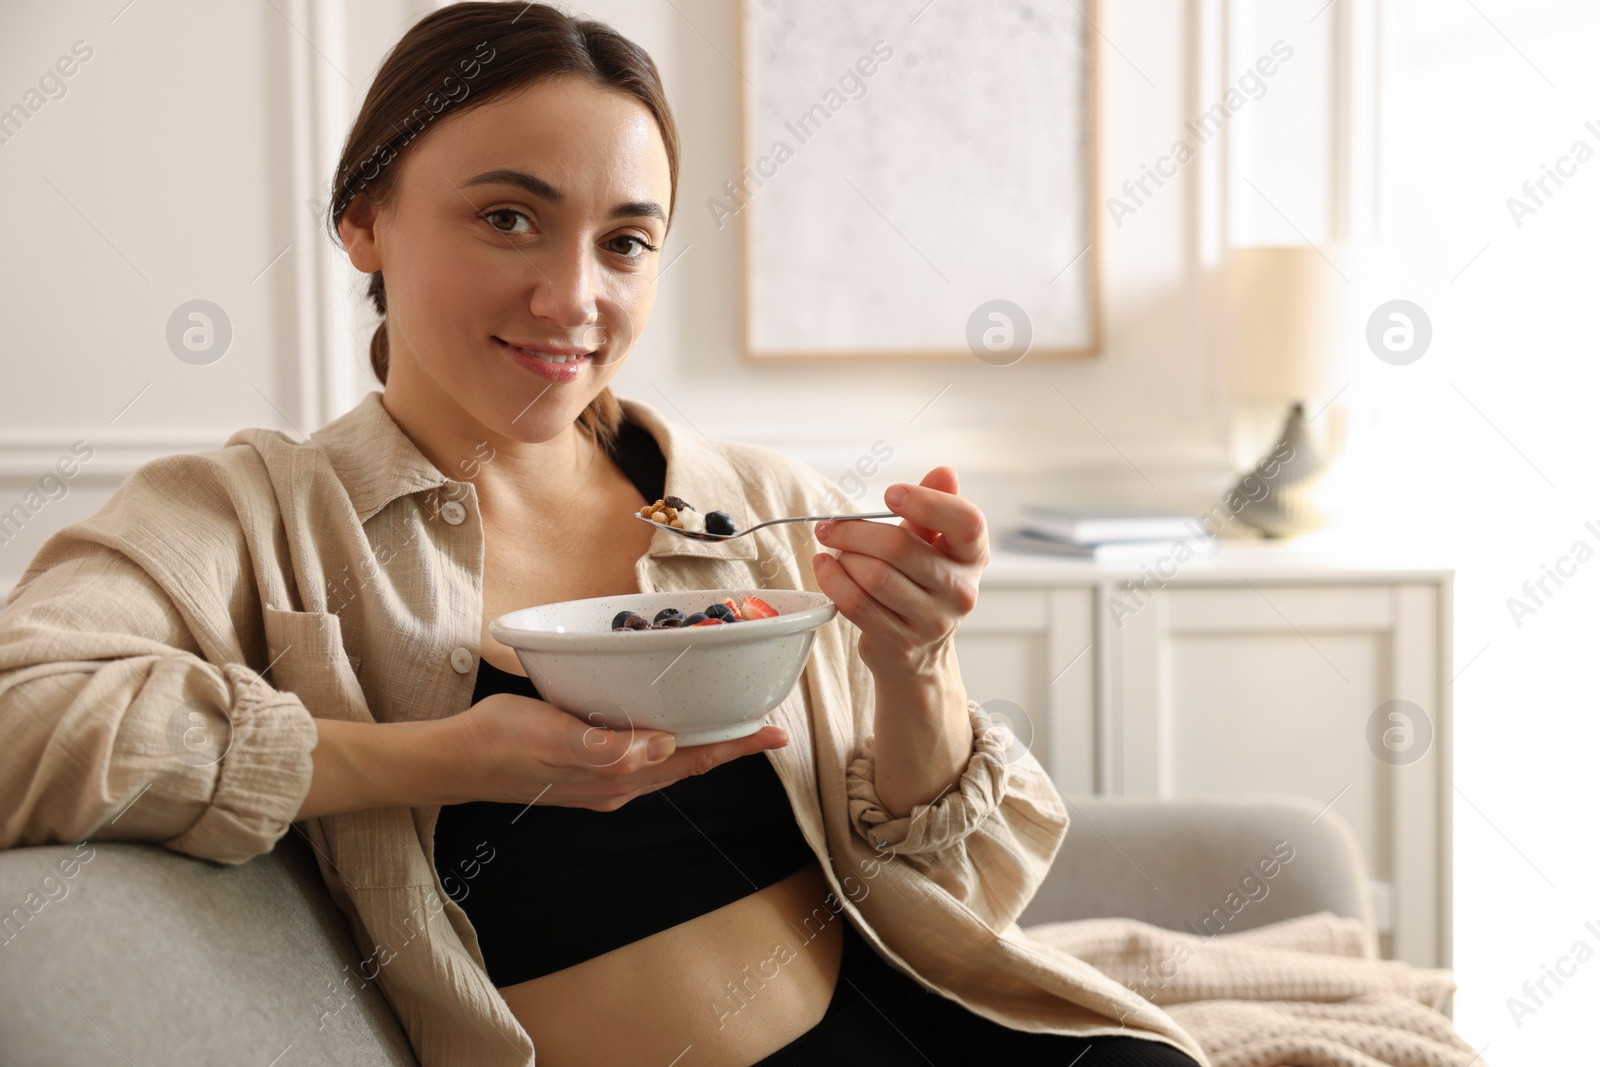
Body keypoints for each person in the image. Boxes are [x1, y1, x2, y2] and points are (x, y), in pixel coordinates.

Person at [0, 4, 1205, 1065]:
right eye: (510, 218)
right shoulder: (255, 519)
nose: (572, 296)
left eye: (625, 240)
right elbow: (21, 719)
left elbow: (948, 886)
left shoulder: (759, 501)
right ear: (364, 218)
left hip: (925, 1022)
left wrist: (913, 665)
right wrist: (448, 759)